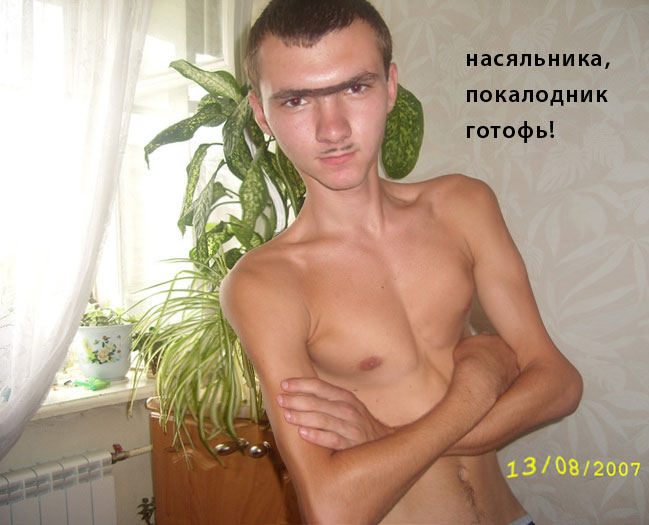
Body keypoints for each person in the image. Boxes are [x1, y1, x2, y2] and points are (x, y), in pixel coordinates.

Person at [220, 0, 583, 522]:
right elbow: (333, 510)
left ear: (390, 86)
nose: (332, 129)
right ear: (262, 114)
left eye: (355, 88)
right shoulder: (265, 283)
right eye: (297, 100)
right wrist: (478, 381)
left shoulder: (463, 206)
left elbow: (560, 383)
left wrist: (386, 436)